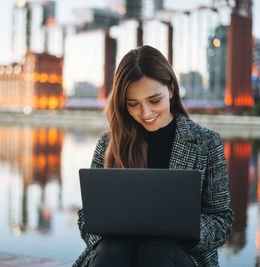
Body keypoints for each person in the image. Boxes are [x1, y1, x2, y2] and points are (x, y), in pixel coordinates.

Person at [73, 45, 234, 267]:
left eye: (154, 100)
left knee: (155, 251)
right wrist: (117, 238)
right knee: (114, 251)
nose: (146, 113)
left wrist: (181, 228)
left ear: (171, 90)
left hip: (178, 255)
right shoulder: (109, 143)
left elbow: (221, 221)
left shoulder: (206, 143)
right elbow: (87, 216)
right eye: (133, 104)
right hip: (117, 255)